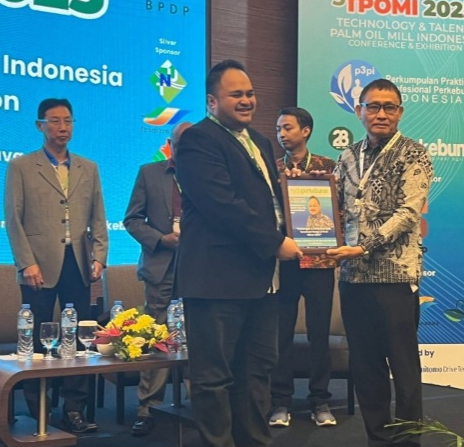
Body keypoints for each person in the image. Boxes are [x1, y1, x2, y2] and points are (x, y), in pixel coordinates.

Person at [175, 59, 303, 447]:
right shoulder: (198, 140)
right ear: (212, 102)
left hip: (260, 280)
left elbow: (270, 205)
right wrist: (275, 242)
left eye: (250, 93)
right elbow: (223, 205)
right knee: (213, 379)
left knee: (256, 373)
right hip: (217, 280)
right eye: (236, 94)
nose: (247, 100)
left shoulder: (261, 142)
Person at [327, 78, 433, 447]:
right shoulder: (347, 157)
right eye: (373, 106)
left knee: (403, 367)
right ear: (359, 111)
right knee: (365, 365)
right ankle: (377, 439)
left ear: (400, 112)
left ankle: (408, 442)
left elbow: (408, 213)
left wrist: (364, 246)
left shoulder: (413, 153)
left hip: (395, 277)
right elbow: (334, 208)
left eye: (389, 107)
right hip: (353, 277)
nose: (381, 113)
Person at [4, 98, 108, 434]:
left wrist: (99, 256)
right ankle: (39, 408)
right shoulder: (21, 166)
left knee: (78, 337)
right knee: (36, 338)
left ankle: (74, 409)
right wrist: (26, 263)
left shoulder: (88, 167)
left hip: (78, 263)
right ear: (40, 126)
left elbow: (99, 217)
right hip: (38, 266)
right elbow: (13, 220)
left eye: (67, 121)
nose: (62, 127)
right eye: (54, 121)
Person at [269, 107, 338, 428]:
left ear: (305, 131)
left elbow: (339, 210)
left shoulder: (327, 167)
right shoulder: (272, 168)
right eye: (278, 129)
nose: (281, 134)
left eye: (287, 128)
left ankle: (320, 400)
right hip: (283, 262)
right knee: (280, 333)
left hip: (320, 260)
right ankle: (280, 401)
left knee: (318, 334)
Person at [123, 121, 192, 437]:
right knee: (156, 336)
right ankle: (148, 408)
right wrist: (160, 239)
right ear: (170, 144)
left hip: (199, 267)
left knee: (197, 335)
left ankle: (197, 406)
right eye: (180, 143)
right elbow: (132, 220)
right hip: (161, 265)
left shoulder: (207, 176)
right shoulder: (149, 173)